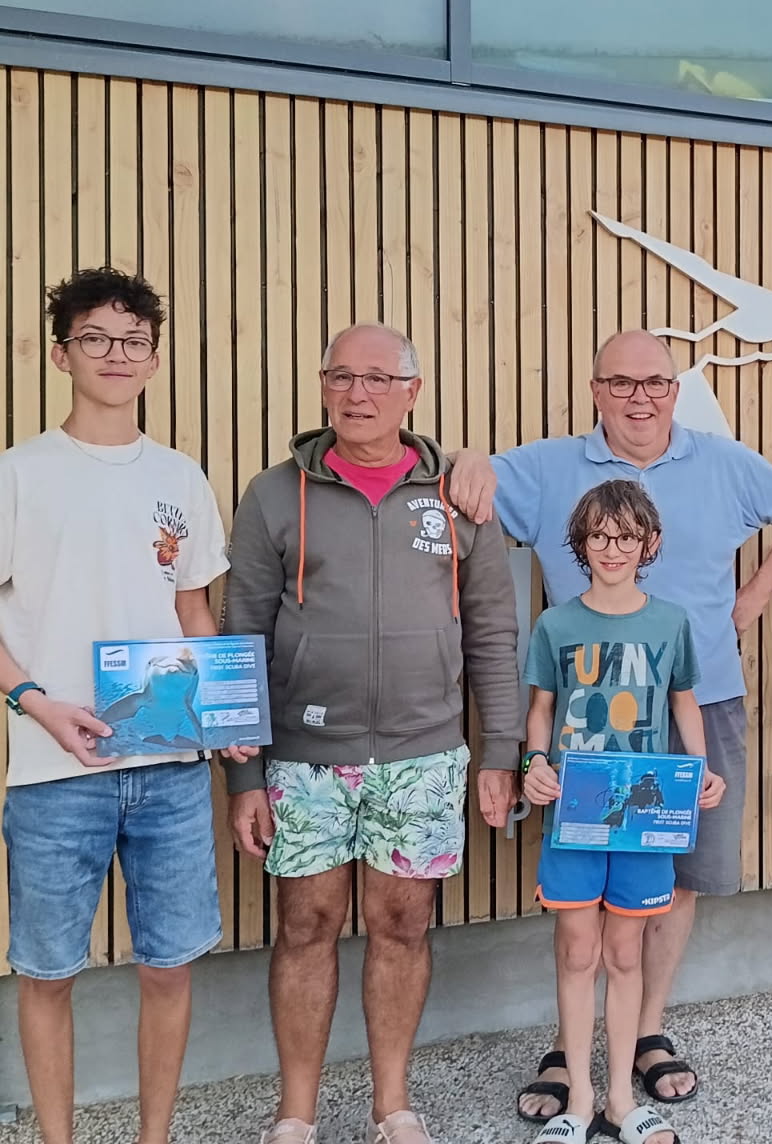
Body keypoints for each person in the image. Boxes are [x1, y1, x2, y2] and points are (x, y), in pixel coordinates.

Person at [447, 329, 772, 1119]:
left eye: (655, 382)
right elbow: (462, 488)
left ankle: (647, 1032)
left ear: (675, 390)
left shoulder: (722, 461)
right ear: (596, 390)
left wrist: (751, 598)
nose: (639, 398)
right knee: (582, 894)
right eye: (620, 382)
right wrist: (467, 456)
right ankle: (570, 1050)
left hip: (700, 700)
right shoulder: (550, 467)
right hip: (589, 725)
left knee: (677, 875)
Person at [221, 324, 526, 1144]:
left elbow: (493, 630)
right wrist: (243, 777)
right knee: (305, 928)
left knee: (402, 927)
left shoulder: (459, 493)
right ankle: (295, 1115)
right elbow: (241, 637)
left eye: (379, 378)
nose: (359, 394)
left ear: (411, 392)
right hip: (302, 760)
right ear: (323, 385)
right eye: (342, 377)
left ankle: (392, 1106)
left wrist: (500, 752)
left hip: (424, 756)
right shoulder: (273, 494)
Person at [0, 267, 243, 1144]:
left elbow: (192, 611)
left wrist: (225, 714)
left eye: (134, 340)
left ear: (153, 359)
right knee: (46, 972)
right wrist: (33, 700)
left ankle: (155, 1137)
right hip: (54, 770)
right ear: (60, 353)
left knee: (169, 968)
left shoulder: (180, 476)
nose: (116, 354)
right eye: (95, 338)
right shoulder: (19, 474)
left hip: (170, 767)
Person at [520, 479, 726, 1144]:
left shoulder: (669, 622)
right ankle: (579, 1098)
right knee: (578, 951)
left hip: (644, 813)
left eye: (627, 537)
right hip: (575, 813)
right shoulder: (556, 624)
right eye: (600, 537)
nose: (613, 549)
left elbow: (683, 701)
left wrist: (699, 769)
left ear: (650, 543)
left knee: (626, 953)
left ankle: (617, 1099)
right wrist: (534, 765)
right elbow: (542, 709)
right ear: (580, 543)